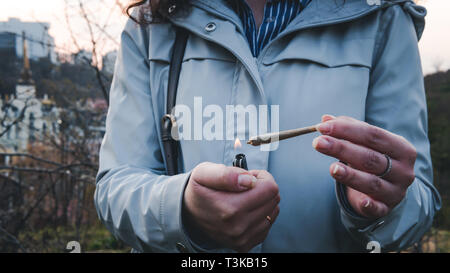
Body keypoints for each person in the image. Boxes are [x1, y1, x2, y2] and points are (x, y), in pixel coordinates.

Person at [94, 0, 441, 253]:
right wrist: (181, 208)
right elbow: (115, 189)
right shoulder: (153, 24)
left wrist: (379, 201)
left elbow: (418, 204)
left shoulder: (384, 17)